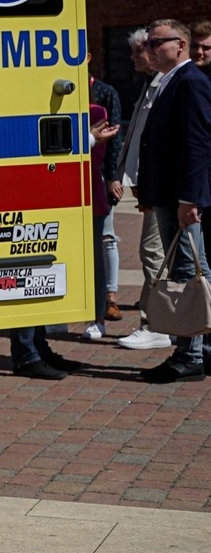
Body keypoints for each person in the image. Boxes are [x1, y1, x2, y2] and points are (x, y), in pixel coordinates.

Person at [132, 16, 211, 382]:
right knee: (192, 269)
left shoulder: (190, 82)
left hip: (180, 197)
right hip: (166, 195)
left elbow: (197, 144)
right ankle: (202, 349)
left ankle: (189, 354)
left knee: (186, 272)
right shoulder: (167, 81)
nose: (149, 48)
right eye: (147, 43)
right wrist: (148, 190)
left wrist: (189, 198)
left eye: (156, 42)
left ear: (179, 45)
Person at [117, 29, 176, 353]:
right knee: (157, 252)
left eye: (137, 51)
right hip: (150, 184)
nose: (133, 58)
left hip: (160, 186)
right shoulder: (150, 84)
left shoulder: (167, 84)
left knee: (155, 253)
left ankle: (155, 324)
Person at [91, 72, 125, 324]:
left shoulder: (105, 92)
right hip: (75, 176)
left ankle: (110, 297)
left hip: (100, 174)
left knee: (106, 237)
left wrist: (113, 176)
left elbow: (115, 138)